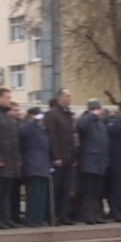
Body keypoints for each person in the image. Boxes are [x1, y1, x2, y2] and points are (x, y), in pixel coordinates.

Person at [0, 88, 22, 229]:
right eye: (7, 97)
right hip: (1, 160)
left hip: (11, 159)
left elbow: (15, 140)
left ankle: (6, 218)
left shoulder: (8, 117)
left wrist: (18, 158)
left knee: (7, 192)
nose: (9, 100)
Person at [45, 88, 77, 225]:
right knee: (56, 188)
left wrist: (74, 156)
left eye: (70, 96)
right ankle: (53, 215)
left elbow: (72, 137)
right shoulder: (52, 114)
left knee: (66, 188)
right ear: (60, 98)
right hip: (58, 158)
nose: (70, 98)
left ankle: (64, 215)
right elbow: (52, 136)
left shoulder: (68, 115)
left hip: (69, 157)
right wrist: (55, 156)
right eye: (67, 96)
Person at [76, 99, 109, 224]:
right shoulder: (86, 120)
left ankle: (97, 214)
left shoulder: (100, 123)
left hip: (100, 163)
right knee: (88, 192)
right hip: (89, 163)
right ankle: (88, 215)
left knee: (97, 192)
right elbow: (80, 126)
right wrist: (92, 115)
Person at [19, 107, 53, 226]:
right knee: (34, 194)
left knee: (42, 195)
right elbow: (22, 132)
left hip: (43, 165)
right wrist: (33, 121)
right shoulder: (28, 127)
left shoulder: (43, 130)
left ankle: (39, 218)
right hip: (33, 165)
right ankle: (32, 219)